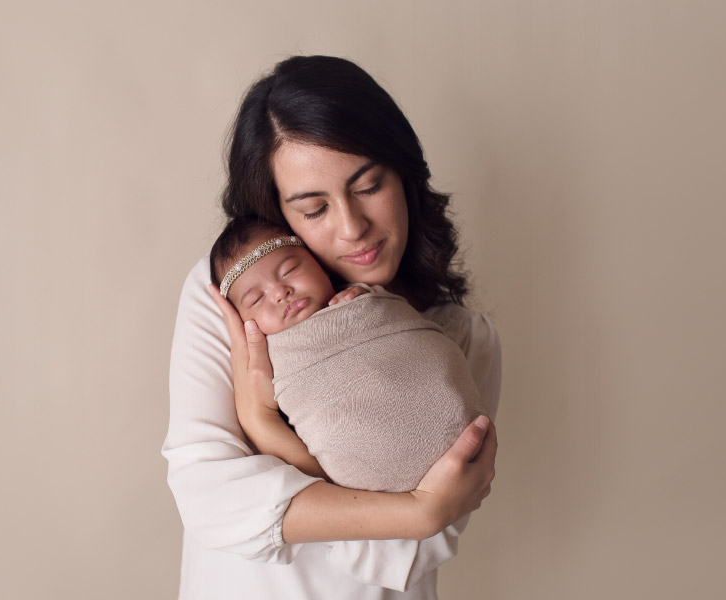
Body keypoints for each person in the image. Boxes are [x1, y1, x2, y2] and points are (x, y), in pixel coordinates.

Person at [163, 55, 501, 599]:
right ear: (279, 218)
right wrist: (409, 509)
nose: (353, 227)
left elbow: (411, 552)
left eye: (368, 186)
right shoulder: (235, 300)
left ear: (403, 171)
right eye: (314, 208)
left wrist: (266, 433)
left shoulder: (459, 337)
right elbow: (208, 500)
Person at [209, 216, 486, 492]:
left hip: (459, 420)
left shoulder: (359, 297)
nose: (281, 292)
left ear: (322, 267)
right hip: (368, 472)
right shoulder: (265, 358)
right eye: (257, 299)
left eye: (290, 269)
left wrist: (365, 294)